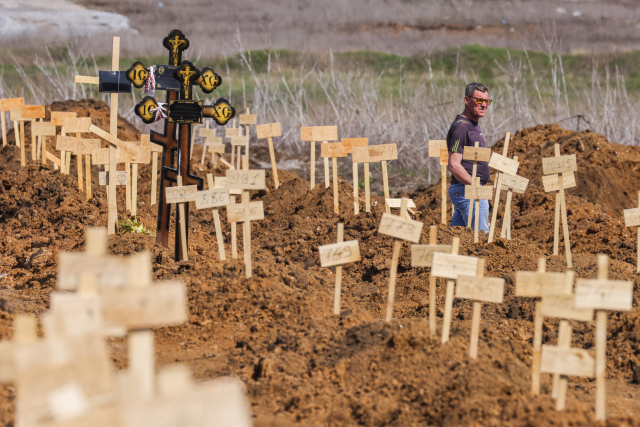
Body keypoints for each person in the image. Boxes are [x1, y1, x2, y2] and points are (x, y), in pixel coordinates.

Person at [446, 82, 492, 232]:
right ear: (467, 100)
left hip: (467, 191)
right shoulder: (461, 127)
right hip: (468, 192)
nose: (484, 105)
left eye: (487, 101)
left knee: (457, 240)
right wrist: (476, 187)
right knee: (480, 239)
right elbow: (454, 165)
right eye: (479, 100)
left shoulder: (473, 125)